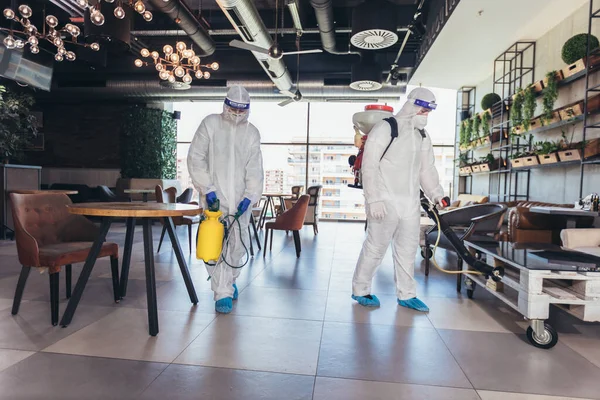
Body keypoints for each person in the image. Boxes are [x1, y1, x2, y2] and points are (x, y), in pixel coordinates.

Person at [351, 87, 445, 312]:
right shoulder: (386, 127)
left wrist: (437, 194)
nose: (425, 115)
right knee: (376, 247)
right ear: (412, 105)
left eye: (429, 111)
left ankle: (407, 294)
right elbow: (370, 164)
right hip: (384, 199)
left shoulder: (421, 135)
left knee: (407, 249)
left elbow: (426, 169)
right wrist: (373, 199)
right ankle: (361, 290)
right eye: (423, 109)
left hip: (410, 202)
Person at [187, 85, 264, 314]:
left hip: (241, 199)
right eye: (233, 109)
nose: (237, 114)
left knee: (238, 245)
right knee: (213, 245)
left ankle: (229, 281)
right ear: (225, 105)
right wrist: (206, 189)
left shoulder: (251, 133)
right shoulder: (210, 124)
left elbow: (255, 168)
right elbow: (195, 157)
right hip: (214, 199)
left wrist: (251, 195)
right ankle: (222, 291)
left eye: (242, 111)